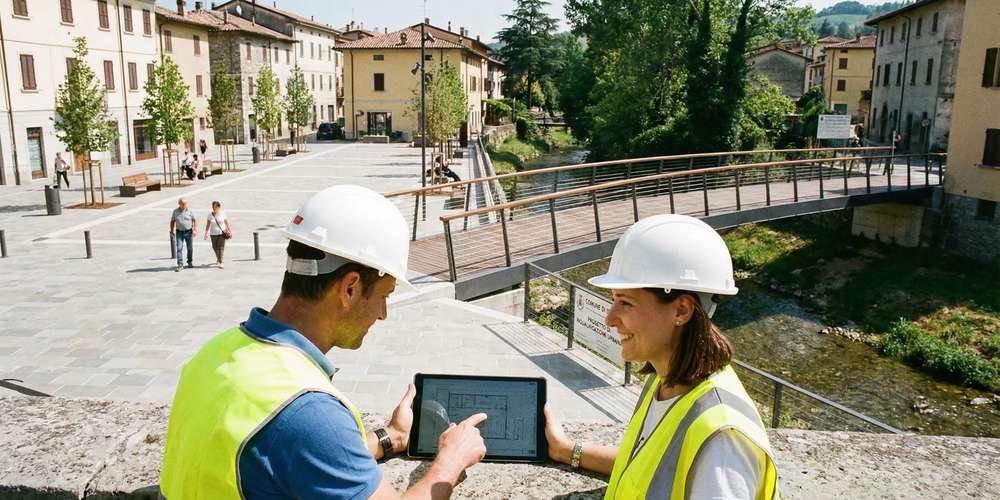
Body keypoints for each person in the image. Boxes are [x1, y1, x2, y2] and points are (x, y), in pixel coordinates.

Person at [160, 185, 488, 500]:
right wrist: (451, 460)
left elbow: (295, 454)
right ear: (349, 288)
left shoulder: (216, 351)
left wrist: (392, 437)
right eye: (384, 296)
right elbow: (306, 434)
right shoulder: (307, 410)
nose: (383, 314)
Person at [543, 214, 779, 500]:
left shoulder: (723, 440)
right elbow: (650, 465)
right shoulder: (665, 381)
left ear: (681, 310)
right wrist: (567, 450)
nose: (610, 318)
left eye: (625, 303)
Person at [169, 198, 196, 271]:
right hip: (179, 232)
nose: (185, 205)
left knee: (190, 248)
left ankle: (190, 262)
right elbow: (172, 221)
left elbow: (195, 220)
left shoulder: (190, 211)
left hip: (188, 232)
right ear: (179, 204)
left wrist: (194, 230)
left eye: (185, 204)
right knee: (179, 248)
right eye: (183, 204)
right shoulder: (175, 212)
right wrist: (171, 231)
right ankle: (180, 264)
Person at [204, 201, 231, 269]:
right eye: (213, 207)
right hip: (213, 233)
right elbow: (208, 225)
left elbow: (227, 223)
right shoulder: (210, 215)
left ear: (219, 207)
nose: (214, 209)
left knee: (221, 247)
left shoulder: (223, 214)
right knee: (215, 247)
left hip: (222, 233)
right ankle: (218, 258)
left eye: (216, 207)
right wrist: (206, 233)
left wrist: (230, 230)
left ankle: (221, 262)